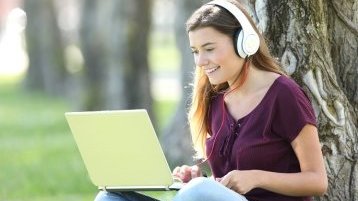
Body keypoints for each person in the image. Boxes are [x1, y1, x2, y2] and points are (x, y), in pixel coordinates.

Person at [94, 0, 328, 201]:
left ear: (244, 42)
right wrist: (200, 182)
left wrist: (256, 177)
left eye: (209, 49)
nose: (200, 61)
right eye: (195, 51)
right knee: (109, 197)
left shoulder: (284, 95)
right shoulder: (215, 99)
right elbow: (224, 185)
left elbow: (317, 181)